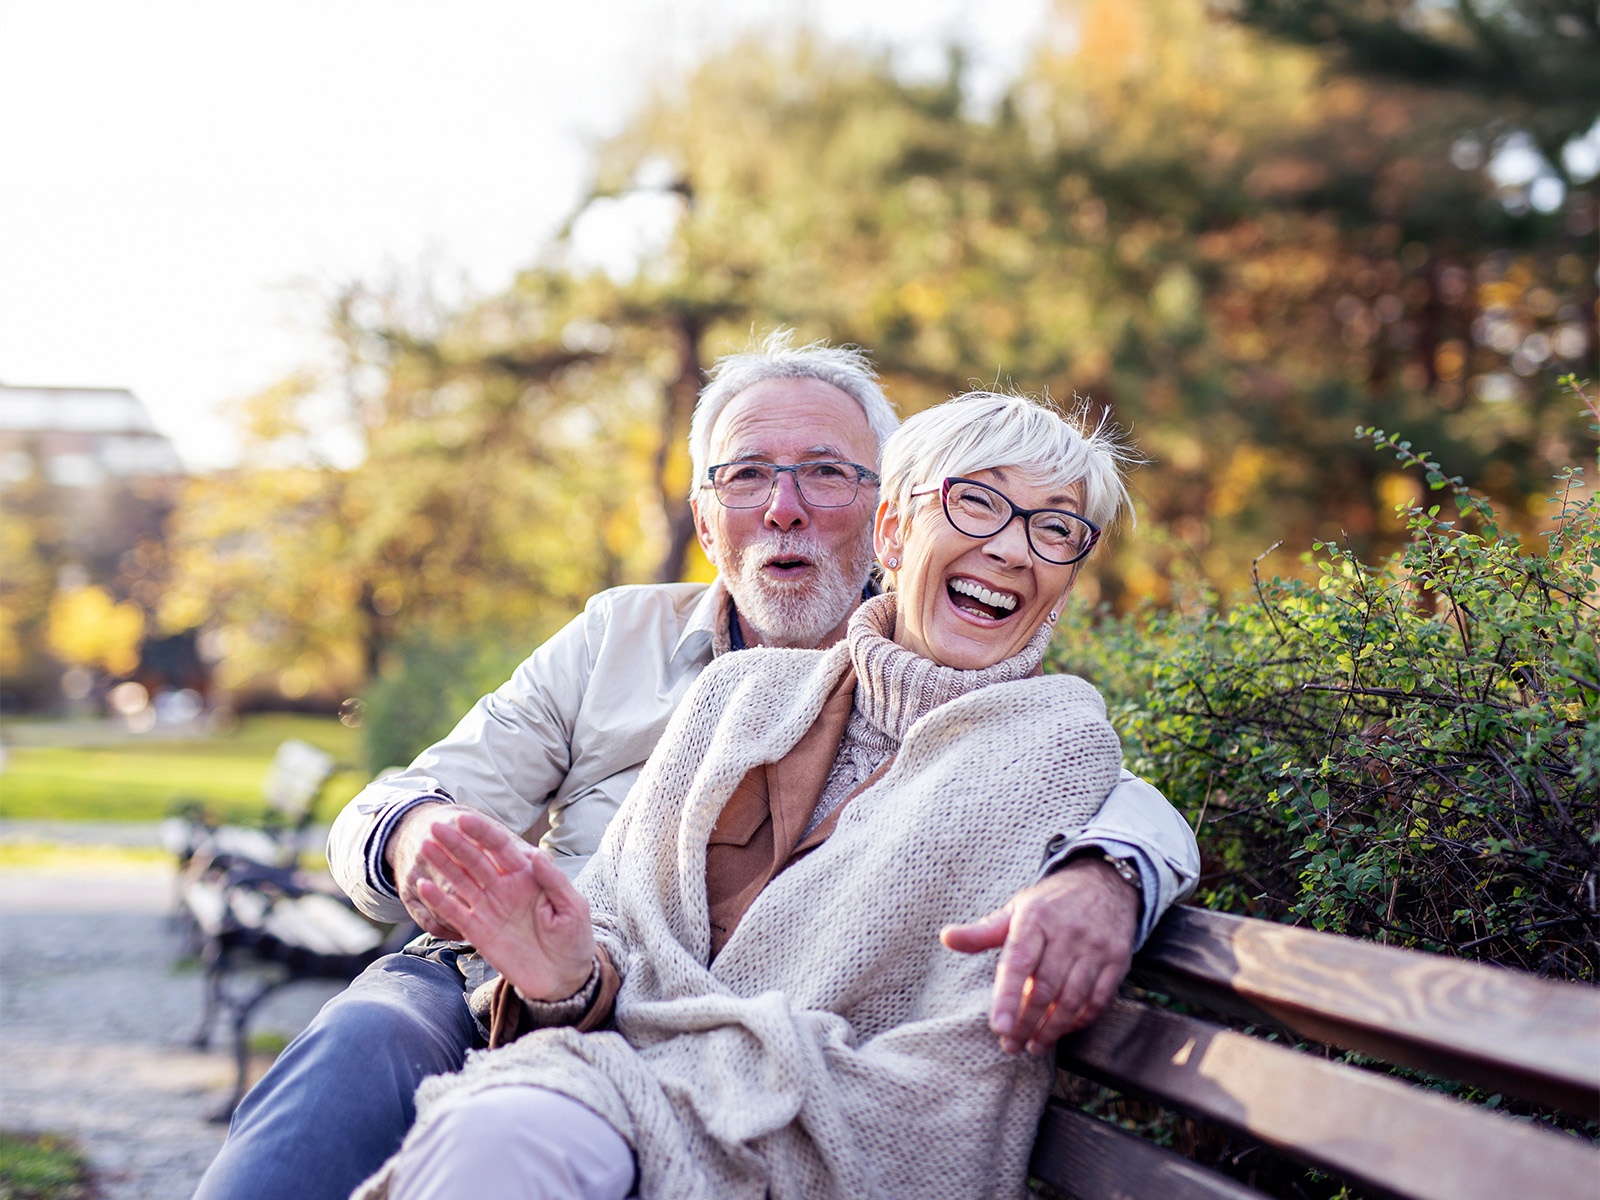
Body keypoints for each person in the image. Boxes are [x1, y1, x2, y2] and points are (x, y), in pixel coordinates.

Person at [192, 336, 1197, 1200]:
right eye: (747, 473)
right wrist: (415, 836)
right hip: (507, 990)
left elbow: (1092, 782)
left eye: (827, 472)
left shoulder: (1019, 720)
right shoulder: (625, 638)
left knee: (505, 1132)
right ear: (704, 514)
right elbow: (422, 800)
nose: (788, 507)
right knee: (370, 1034)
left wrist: (1111, 872)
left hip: (667, 1059)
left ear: (876, 510)